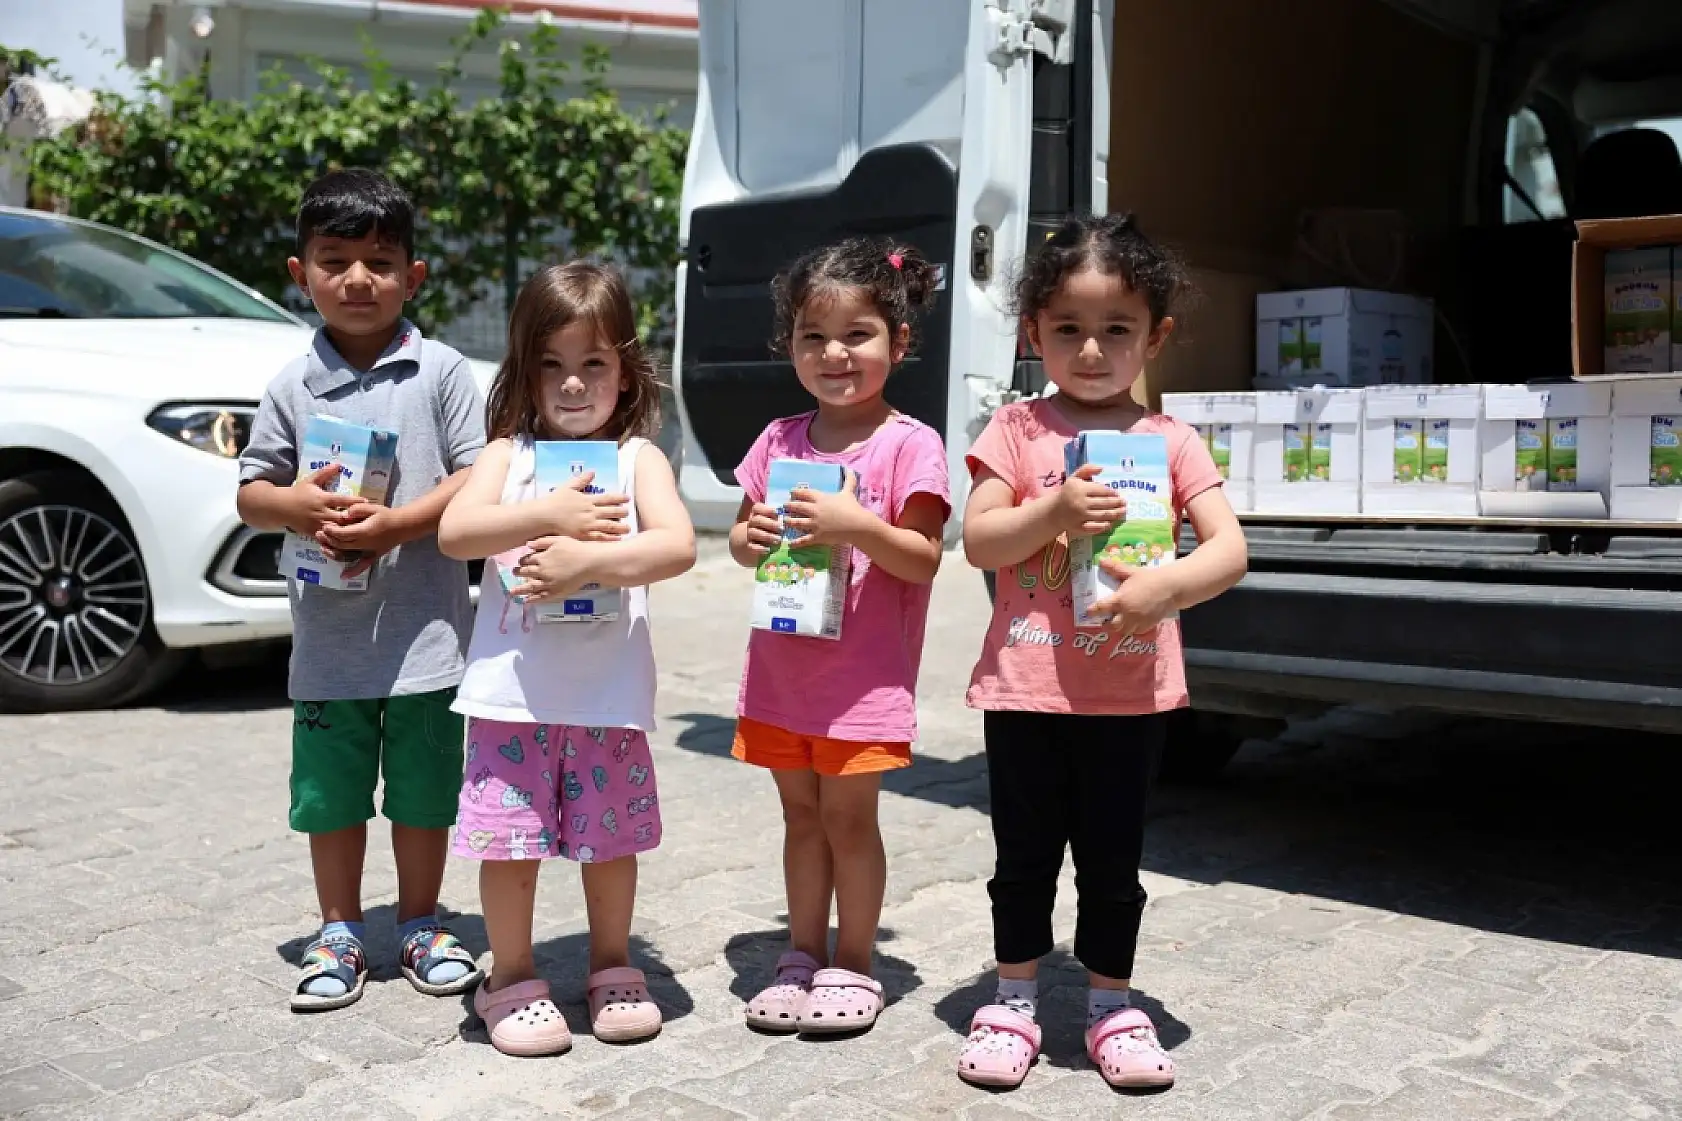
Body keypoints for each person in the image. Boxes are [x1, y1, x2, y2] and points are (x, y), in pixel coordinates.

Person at [955, 213, 1248, 1090]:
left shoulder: (1171, 442)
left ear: (1153, 335)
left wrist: (1172, 585)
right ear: (1031, 330)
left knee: (1114, 864)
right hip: (1026, 690)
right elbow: (978, 541)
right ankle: (1013, 998)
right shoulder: (1014, 429)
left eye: (1115, 329)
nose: (1091, 350)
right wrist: (1051, 513)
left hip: (1131, 698)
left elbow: (1231, 549)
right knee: (1023, 858)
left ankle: (1112, 1004)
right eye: (1068, 329)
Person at [237, 168, 487, 1012]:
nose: (356, 279)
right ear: (297, 271)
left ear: (415, 277)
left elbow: (480, 471)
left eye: (379, 262)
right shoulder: (289, 384)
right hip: (329, 644)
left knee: (424, 789)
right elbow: (251, 489)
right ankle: (339, 927)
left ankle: (420, 921)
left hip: (429, 641)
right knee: (331, 794)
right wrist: (293, 504)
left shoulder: (445, 371)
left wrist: (399, 523)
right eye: (333, 259)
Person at [436, 262, 696, 1056]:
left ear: (626, 370)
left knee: (608, 843)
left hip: (606, 699)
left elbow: (678, 544)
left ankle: (613, 964)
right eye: (552, 364)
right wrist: (545, 511)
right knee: (509, 848)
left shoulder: (636, 460)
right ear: (524, 368)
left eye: (593, 364)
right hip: (511, 700)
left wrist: (588, 561)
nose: (573, 384)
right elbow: (454, 534)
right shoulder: (505, 457)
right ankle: (509, 975)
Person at [728, 237, 950, 1035]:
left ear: (900, 340)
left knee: (851, 821)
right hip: (782, 675)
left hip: (862, 684)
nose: (834, 354)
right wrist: (748, 539)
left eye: (857, 334)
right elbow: (742, 536)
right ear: (789, 346)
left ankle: (854, 962)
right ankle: (798, 953)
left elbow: (923, 559)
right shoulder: (778, 441)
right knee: (799, 818)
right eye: (812, 337)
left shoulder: (911, 445)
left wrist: (858, 522)